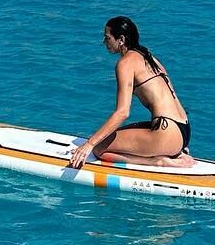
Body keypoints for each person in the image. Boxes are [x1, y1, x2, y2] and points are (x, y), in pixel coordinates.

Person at [67, 16, 192, 168]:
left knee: (99, 148)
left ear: (121, 39)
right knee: (108, 136)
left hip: (166, 133)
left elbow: (122, 113)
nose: (104, 42)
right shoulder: (149, 57)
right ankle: (172, 150)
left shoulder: (125, 63)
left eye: (107, 38)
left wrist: (89, 144)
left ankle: (157, 161)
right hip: (183, 130)